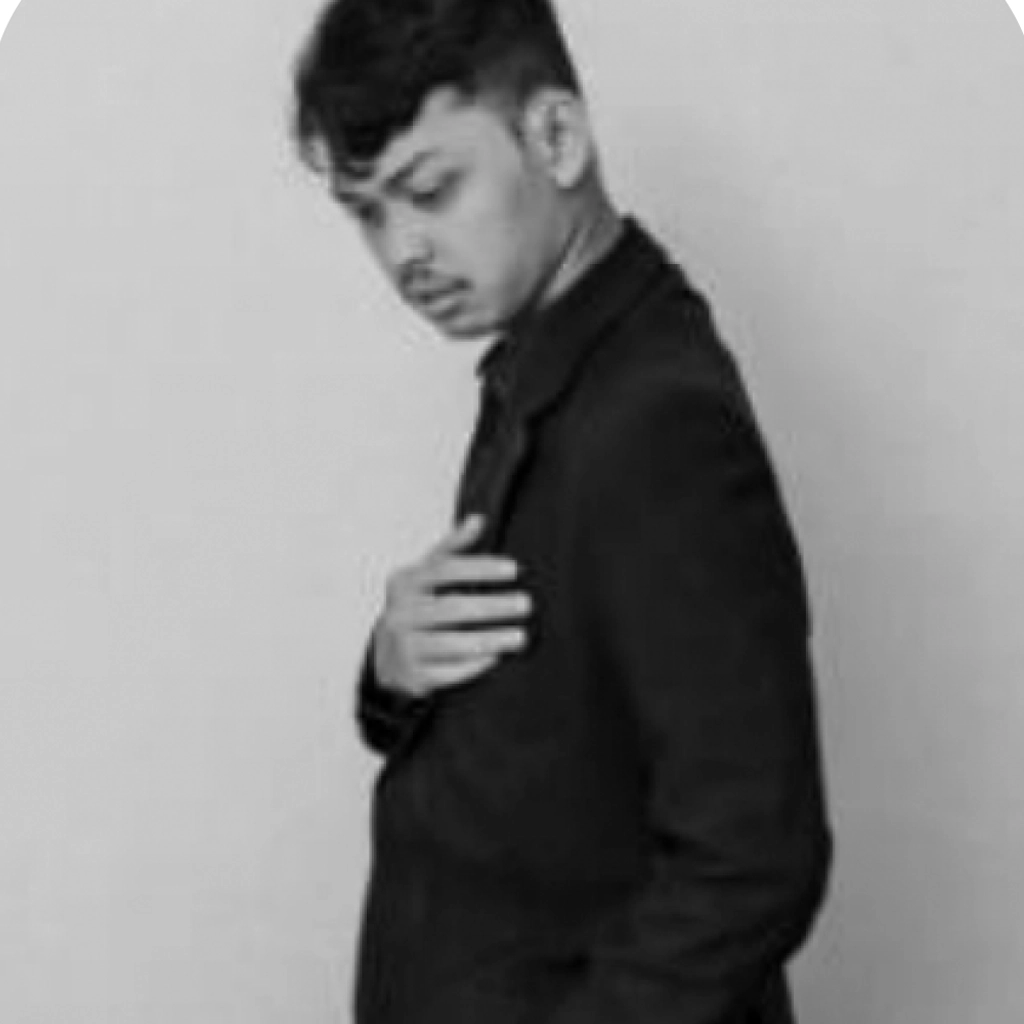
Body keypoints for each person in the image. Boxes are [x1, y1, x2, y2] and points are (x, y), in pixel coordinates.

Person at [291, 1, 832, 1021]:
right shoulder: (555, 362)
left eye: (430, 190)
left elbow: (753, 858)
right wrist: (391, 672)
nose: (403, 250)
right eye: (366, 212)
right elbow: (547, 737)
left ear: (555, 136)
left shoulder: (658, 425)